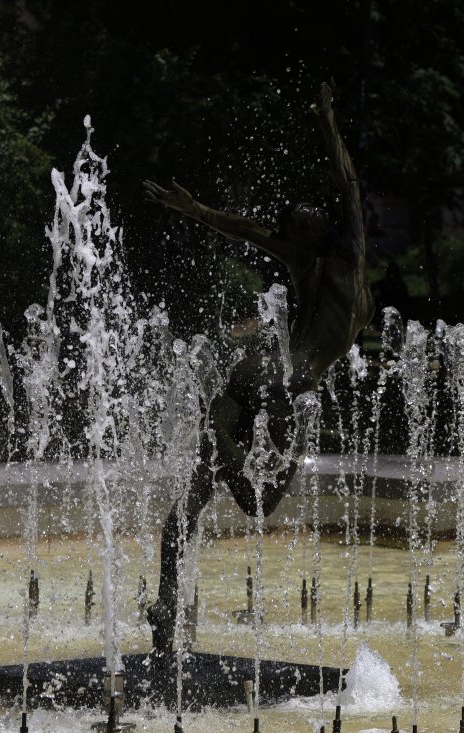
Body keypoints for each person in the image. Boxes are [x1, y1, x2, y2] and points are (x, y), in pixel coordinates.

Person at [141, 82, 374, 652]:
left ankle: (212, 476)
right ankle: (169, 599)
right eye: (298, 219)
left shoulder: (347, 255)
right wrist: (195, 210)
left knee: (251, 499)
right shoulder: (305, 257)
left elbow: (348, 183)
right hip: (270, 380)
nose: (308, 216)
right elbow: (247, 229)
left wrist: (327, 120)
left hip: (281, 390)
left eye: (310, 215)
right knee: (224, 488)